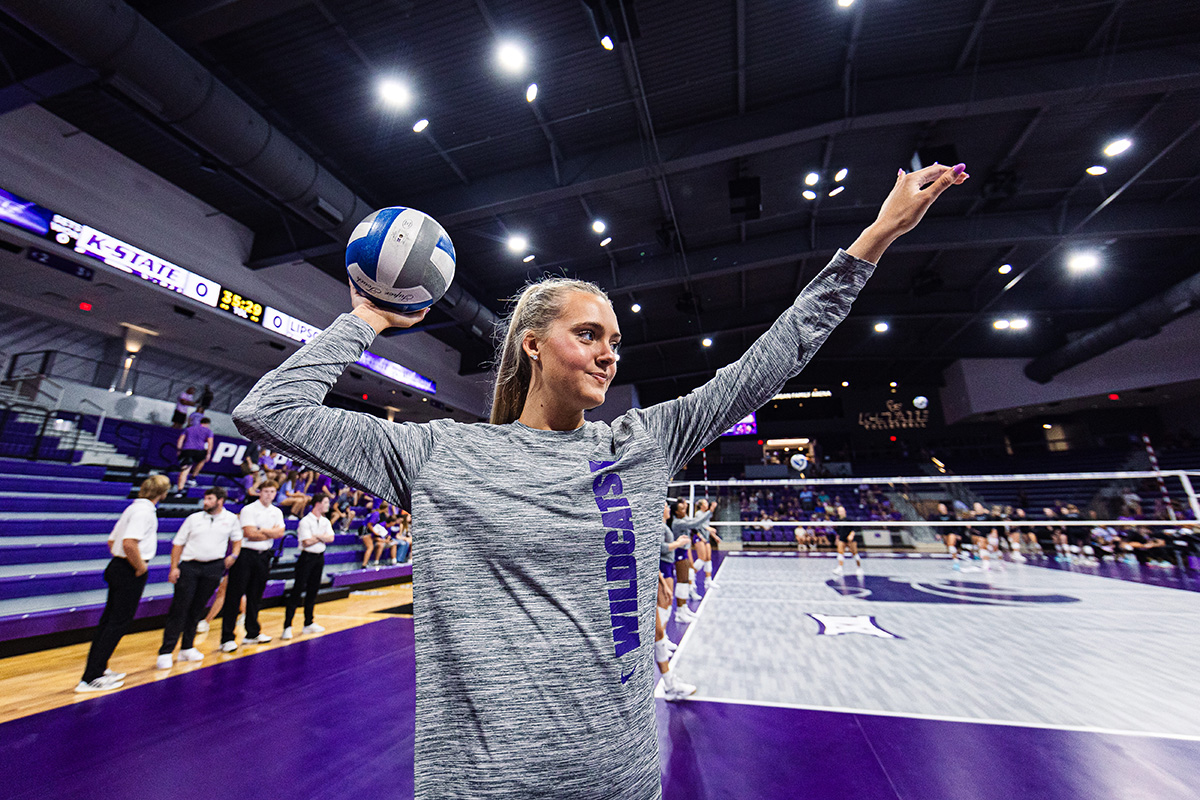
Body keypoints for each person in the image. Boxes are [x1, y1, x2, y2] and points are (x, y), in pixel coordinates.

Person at [231, 163, 966, 799]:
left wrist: (876, 238)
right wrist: (365, 318)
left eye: (614, 341)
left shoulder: (643, 444)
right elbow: (268, 412)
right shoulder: (440, 455)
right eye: (588, 335)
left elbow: (773, 357)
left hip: (621, 778)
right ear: (533, 344)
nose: (609, 355)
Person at [77, 474, 170, 692]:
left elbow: (113, 541)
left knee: (109, 622)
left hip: (118, 566)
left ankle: (99, 668)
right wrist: (139, 567)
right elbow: (129, 543)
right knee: (117, 623)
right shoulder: (144, 512)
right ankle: (91, 677)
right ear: (162, 493)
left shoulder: (133, 508)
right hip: (129, 569)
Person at [156, 486, 241, 669]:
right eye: (205, 498)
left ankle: (187, 646)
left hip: (214, 567)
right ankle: (166, 651)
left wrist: (234, 555)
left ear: (220, 501)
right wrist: (174, 567)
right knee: (180, 607)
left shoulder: (231, 519)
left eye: (210, 499)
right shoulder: (193, 519)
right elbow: (177, 544)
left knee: (197, 608)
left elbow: (237, 539)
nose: (206, 502)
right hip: (190, 566)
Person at [221, 480, 286, 652]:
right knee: (234, 596)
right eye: (266, 491)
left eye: (272, 491)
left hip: (263, 556)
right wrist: (269, 532)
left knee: (256, 596)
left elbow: (280, 533)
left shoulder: (276, 511)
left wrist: (261, 530)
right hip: (245, 555)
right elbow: (248, 533)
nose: (269, 494)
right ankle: (227, 637)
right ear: (260, 492)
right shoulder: (248, 509)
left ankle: (252, 633)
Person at [282, 493, 335, 640]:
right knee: (297, 590)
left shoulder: (325, 521)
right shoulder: (306, 521)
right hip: (306, 558)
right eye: (325, 502)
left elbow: (331, 538)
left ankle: (308, 622)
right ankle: (287, 626)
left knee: (313, 590)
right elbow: (306, 542)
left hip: (319, 558)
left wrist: (316, 537)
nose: (327, 505)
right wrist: (321, 537)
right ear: (317, 503)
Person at [174, 414, 214, 495]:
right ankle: (193, 477)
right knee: (202, 460)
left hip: (187, 450)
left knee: (185, 470)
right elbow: (210, 443)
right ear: (207, 424)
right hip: (199, 451)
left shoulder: (189, 429)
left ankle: (179, 491)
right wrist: (208, 454)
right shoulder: (208, 431)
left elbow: (180, 440)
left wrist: (179, 450)